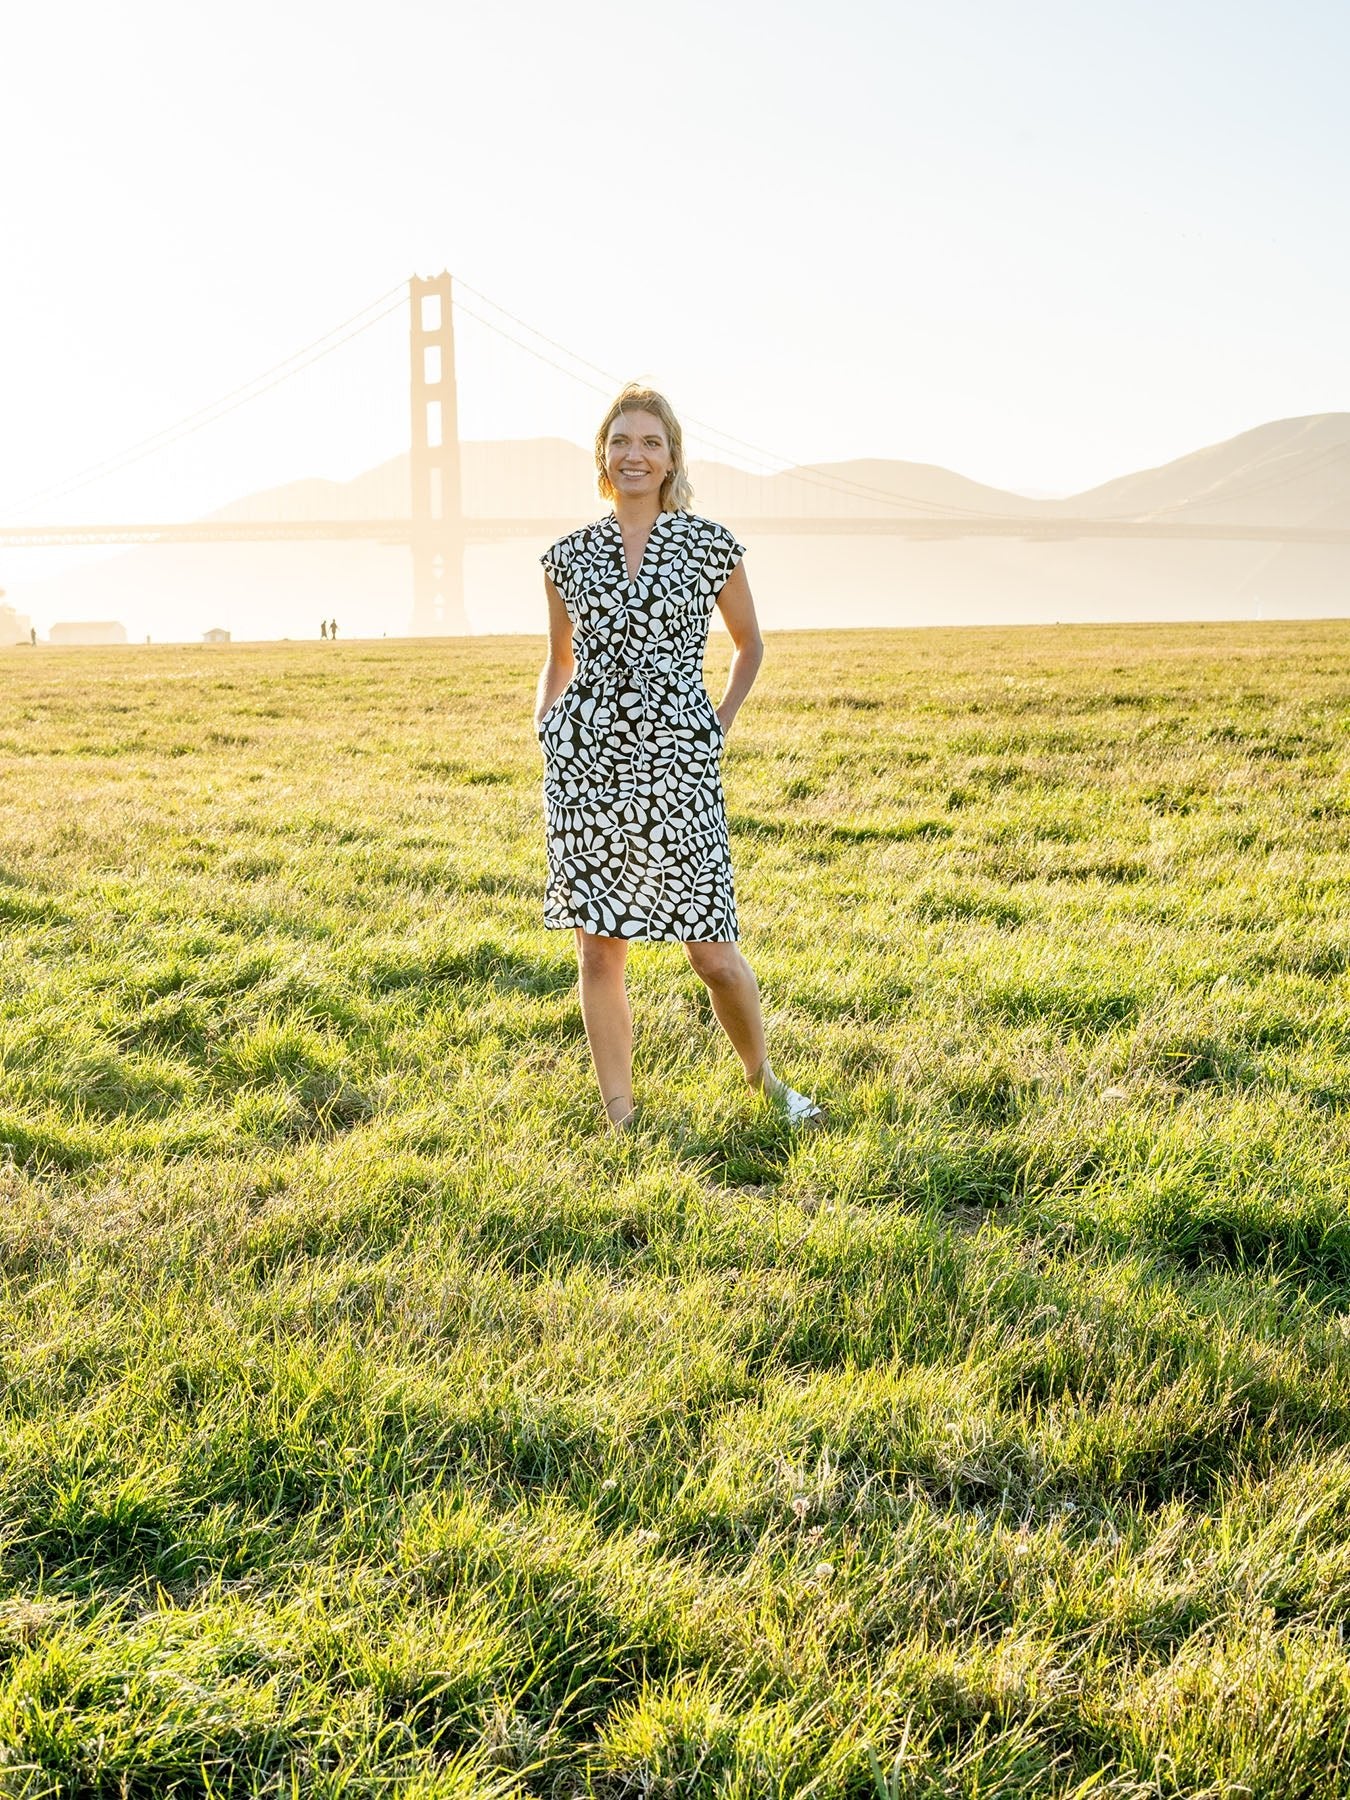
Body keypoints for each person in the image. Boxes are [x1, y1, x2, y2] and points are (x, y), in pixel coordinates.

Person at [536, 383, 823, 1132]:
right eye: (621, 441)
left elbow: (750, 645)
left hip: (679, 765)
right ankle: (622, 1120)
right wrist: (547, 722)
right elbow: (557, 659)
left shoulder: (708, 545)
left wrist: (716, 723)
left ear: (671, 460)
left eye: (650, 443)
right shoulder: (565, 558)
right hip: (587, 767)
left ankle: (766, 1085)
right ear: (604, 455)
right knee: (601, 954)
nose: (635, 454)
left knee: (713, 954)